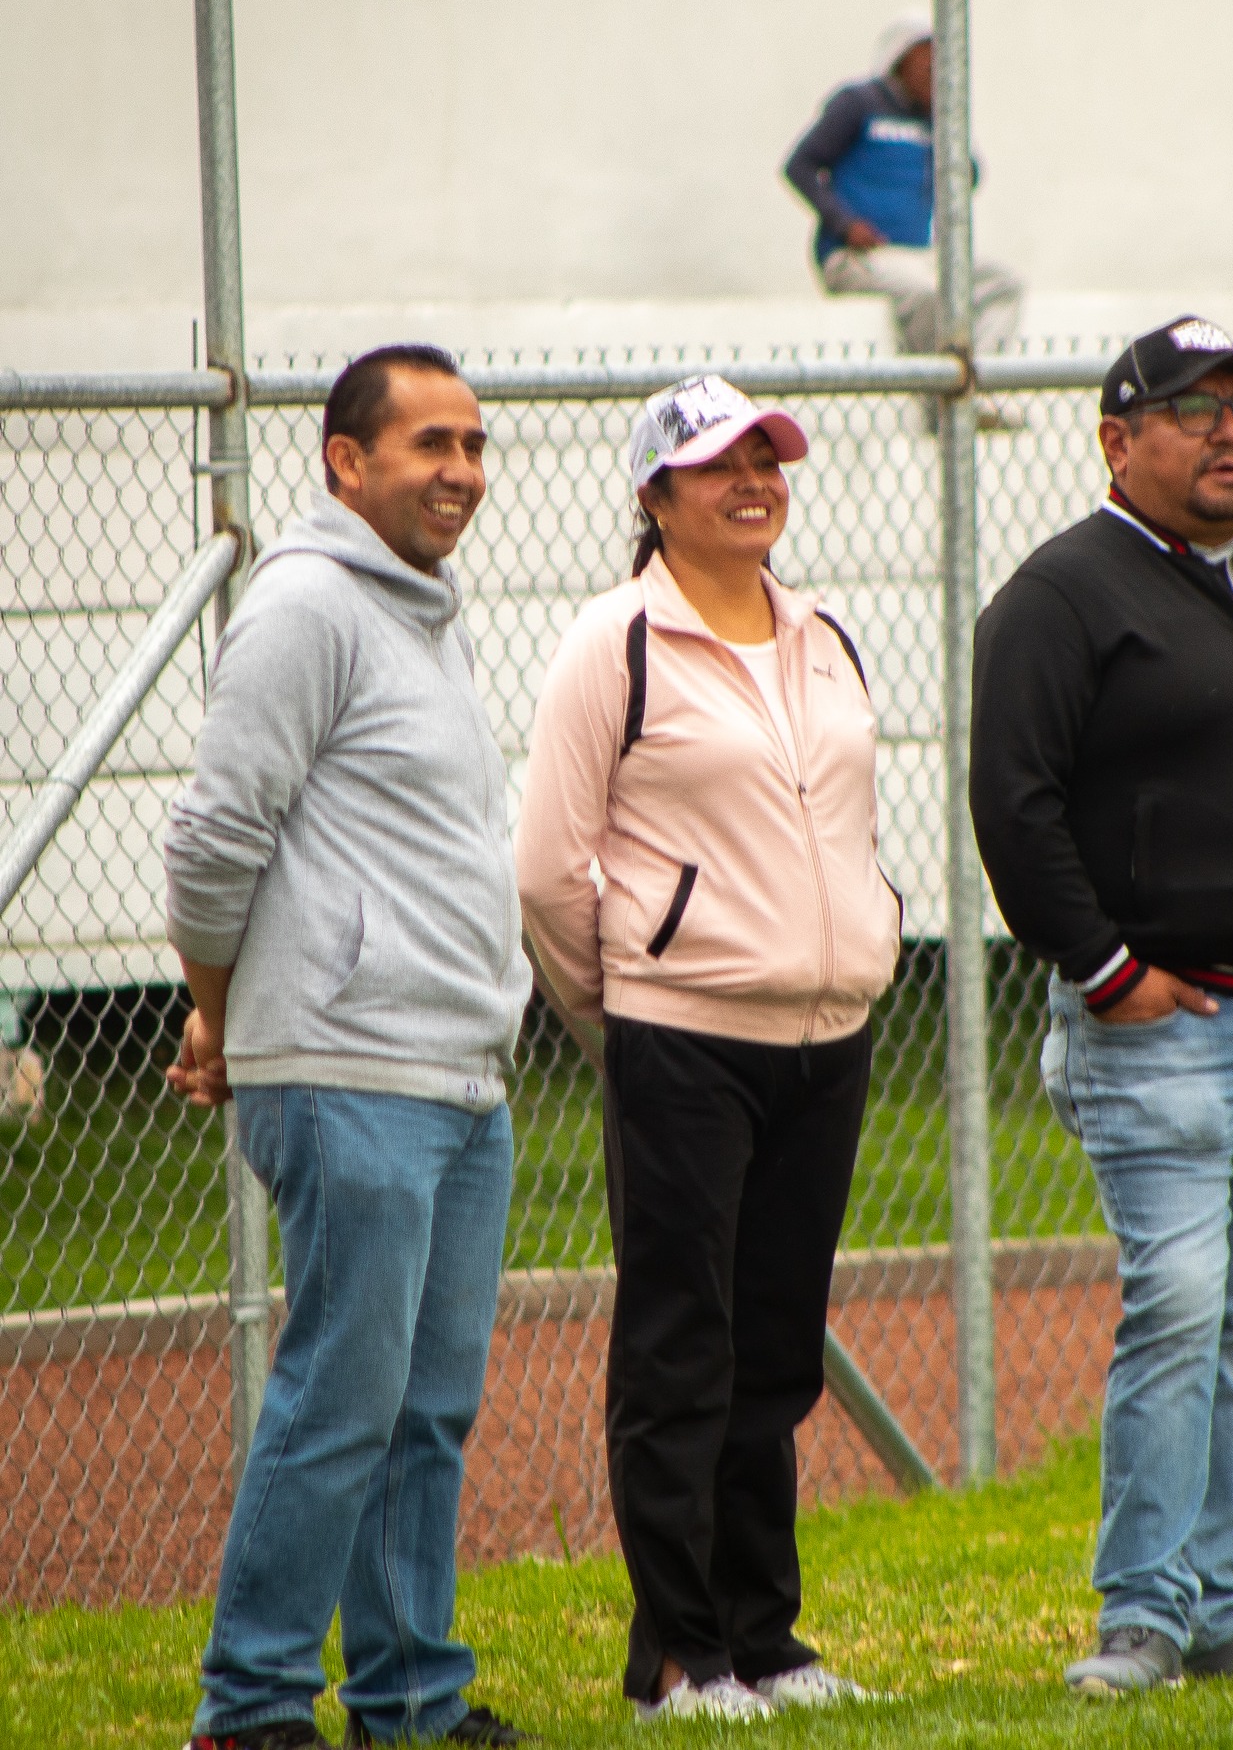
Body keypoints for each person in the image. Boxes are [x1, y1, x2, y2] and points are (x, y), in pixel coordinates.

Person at [970, 316, 1233, 1697]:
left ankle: (1217, 1608)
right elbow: (1013, 804)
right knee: (1177, 1302)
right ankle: (1142, 1612)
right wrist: (1108, 969)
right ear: (1117, 437)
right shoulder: (1064, 593)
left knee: (1231, 1316)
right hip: (1163, 1028)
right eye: (1198, 406)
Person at [516, 375, 902, 1722]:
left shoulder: (824, 634)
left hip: (827, 1036)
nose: (754, 481)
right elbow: (552, 871)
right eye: (720, 463)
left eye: (769, 459)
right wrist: (622, 1010)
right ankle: (678, 1654)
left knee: (776, 1351)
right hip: (682, 1040)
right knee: (682, 1347)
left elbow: (848, 826)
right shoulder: (611, 643)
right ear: (656, 493)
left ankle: (765, 1636)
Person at [166, 345, 531, 1750]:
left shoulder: (429, 612)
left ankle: (410, 1704)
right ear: (344, 461)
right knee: (339, 1401)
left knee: (425, 1413)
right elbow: (212, 839)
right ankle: (249, 1710)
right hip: (350, 1068)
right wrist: (215, 1005)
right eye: (430, 443)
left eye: (476, 444)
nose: (461, 470)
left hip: (459, 1076)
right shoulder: (307, 606)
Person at [783, 11, 1023, 359]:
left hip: (918, 258)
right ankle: (938, 399)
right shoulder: (860, 104)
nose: (936, 70)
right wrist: (846, 225)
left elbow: (968, 176)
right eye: (926, 58)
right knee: (928, 295)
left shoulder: (936, 118)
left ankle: (975, 392)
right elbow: (800, 166)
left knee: (1002, 285)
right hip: (858, 257)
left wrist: (950, 129)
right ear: (899, 59)